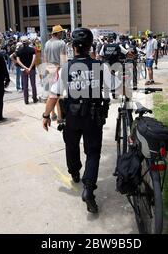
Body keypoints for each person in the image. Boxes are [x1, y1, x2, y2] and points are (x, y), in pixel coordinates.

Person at [42, 28, 113, 214]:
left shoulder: (66, 68)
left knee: (71, 145)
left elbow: (54, 94)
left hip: (72, 116)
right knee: (93, 152)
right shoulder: (100, 66)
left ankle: (75, 173)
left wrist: (46, 115)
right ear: (91, 46)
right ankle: (89, 188)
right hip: (93, 117)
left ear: (73, 47)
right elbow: (115, 87)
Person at [43, 25, 67, 120]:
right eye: (61, 32)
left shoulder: (47, 43)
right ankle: (60, 117)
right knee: (57, 93)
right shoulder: (61, 43)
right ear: (57, 33)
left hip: (49, 69)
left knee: (51, 92)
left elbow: (45, 58)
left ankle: (52, 114)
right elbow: (63, 59)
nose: (62, 34)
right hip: (57, 69)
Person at [14, 36, 38, 104]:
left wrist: (25, 68)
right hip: (32, 69)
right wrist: (30, 67)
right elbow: (34, 59)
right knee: (33, 84)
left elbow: (18, 61)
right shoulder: (32, 49)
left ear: (21, 42)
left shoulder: (19, 51)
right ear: (28, 42)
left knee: (25, 85)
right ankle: (34, 98)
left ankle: (26, 100)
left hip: (23, 70)